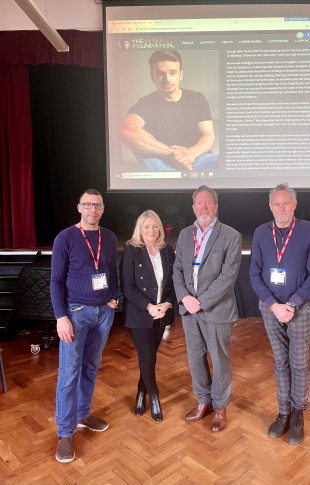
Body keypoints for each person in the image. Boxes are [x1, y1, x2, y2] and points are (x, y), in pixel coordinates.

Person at [249, 183, 310, 445]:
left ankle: (298, 413)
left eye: (286, 203)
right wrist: (274, 304)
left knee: (299, 363)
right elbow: (254, 274)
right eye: (276, 204)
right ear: (270, 207)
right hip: (271, 309)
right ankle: (283, 412)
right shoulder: (260, 233)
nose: (281, 208)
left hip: (299, 308)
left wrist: (292, 304)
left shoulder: (308, 230)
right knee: (281, 363)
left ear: (294, 205)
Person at [51, 189, 118, 463]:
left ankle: (82, 414)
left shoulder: (110, 237)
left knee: (91, 366)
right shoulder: (65, 237)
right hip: (75, 312)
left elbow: (111, 270)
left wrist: (113, 298)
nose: (93, 209)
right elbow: (55, 280)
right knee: (69, 372)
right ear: (79, 207)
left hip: (104, 312)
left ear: (102, 209)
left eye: (98, 205)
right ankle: (65, 432)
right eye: (88, 204)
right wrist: (60, 316)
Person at [173, 185, 242, 432]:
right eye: (199, 203)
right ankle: (204, 401)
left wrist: (199, 301)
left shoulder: (231, 236)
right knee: (195, 357)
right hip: (189, 309)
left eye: (208, 203)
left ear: (216, 206)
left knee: (219, 359)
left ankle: (220, 406)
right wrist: (184, 298)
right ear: (193, 207)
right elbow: (178, 270)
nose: (204, 207)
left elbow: (228, 276)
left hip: (216, 310)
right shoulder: (183, 235)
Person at [122, 50, 219, 172]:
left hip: (199, 159)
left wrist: (191, 153)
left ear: (181, 75)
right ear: (152, 77)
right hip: (164, 163)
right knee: (139, 137)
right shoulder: (146, 104)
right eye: (160, 74)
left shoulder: (197, 98)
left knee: (230, 160)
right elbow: (127, 132)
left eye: (173, 73)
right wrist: (173, 153)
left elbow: (208, 135)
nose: (167, 79)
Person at [120, 210, 175, 421]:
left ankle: (140, 392)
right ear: (139, 230)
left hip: (161, 313)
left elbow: (172, 282)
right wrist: (150, 307)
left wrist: (167, 304)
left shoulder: (167, 250)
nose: (151, 230)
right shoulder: (132, 250)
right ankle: (154, 396)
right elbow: (127, 286)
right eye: (146, 227)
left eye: (154, 226)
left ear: (160, 228)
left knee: (151, 357)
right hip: (140, 313)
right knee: (146, 356)